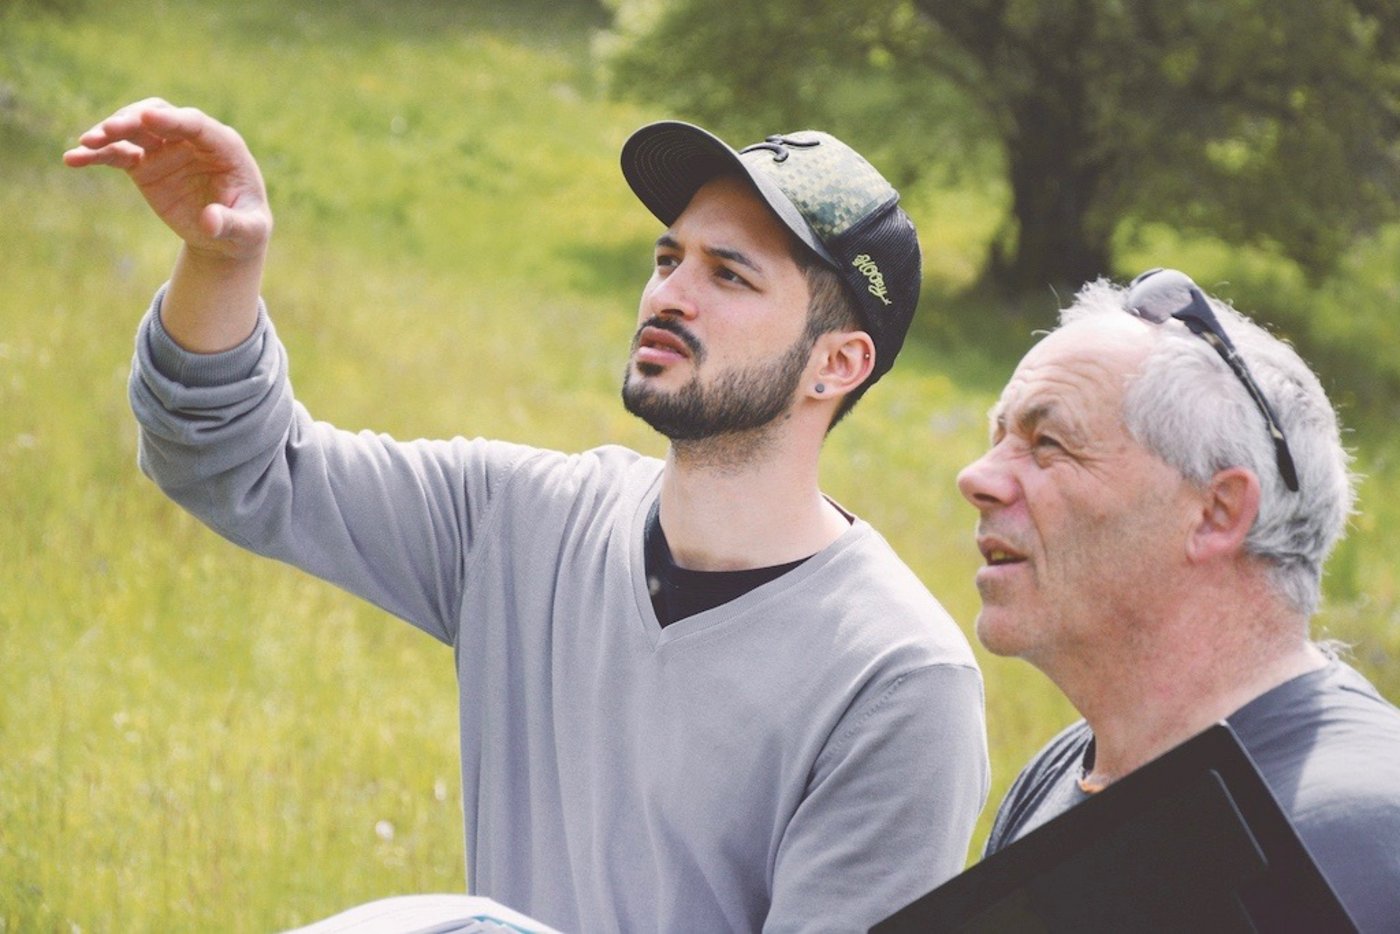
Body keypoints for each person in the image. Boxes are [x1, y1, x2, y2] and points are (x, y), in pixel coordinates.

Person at [64, 99, 989, 932]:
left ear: (838, 364)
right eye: (668, 258)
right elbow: (238, 465)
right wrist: (225, 261)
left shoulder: (901, 682)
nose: (669, 292)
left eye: (729, 275)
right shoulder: (518, 520)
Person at [957, 267, 1400, 931]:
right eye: (999, 441)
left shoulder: (1366, 829)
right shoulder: (1059, 773)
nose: (978, 478)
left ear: (1217, 512)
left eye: (1048, 444)